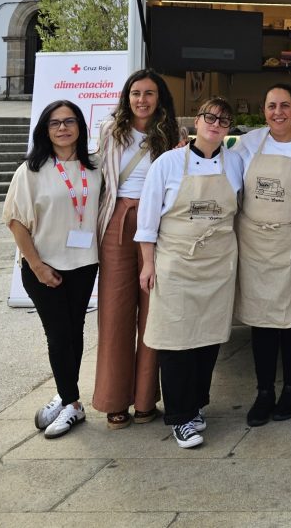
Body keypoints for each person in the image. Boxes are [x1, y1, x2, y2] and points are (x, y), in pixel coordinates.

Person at [135, 97, 244, 449]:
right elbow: (148, 219)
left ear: (229, 129)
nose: (216, 124)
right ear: (197, 122)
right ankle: (180, 416)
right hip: (178, 261)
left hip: (218, 263)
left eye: (223, 120)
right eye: (209, 117)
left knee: (208, 338)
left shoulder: (235, 163)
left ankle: (196, 405)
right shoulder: (168, 163)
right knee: (177, 340)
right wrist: (148, 263)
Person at [3, 99, 99, 439]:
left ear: (80, 127)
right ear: (45, 129)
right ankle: (73, 403)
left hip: (84, 264)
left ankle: (65, 393)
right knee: (58, 335)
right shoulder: (31, 170)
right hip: (44, 266)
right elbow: (16, 222)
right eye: (54, 123)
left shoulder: (95, 167)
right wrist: (38, 266)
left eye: (69, 121)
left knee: (75, 331)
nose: (62, 128)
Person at [92, 69, 180, 430]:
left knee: (153, 313)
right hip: (120, 220)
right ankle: (115, 400)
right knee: (115, 312)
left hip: (160, 225)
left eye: (149, 93)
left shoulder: (173, 134)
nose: (142, 100)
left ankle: (145, 399)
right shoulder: (110, 131)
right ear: (127, 97)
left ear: (160, 99)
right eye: (136, 93)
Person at [234, 83, 291, 427]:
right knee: (261, 322)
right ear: (264, 109)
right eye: (272, 106)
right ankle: (263, 392)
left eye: (285, 105)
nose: (278, 112)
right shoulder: (247, 144)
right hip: (255, 241)